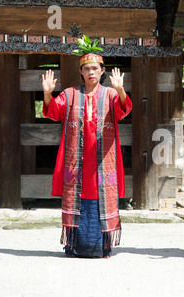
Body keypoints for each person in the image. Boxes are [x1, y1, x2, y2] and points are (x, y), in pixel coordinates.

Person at [41, 36, 132, 258]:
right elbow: (53, 111)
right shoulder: (70, 94)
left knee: (100, 197)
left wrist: (120, 90)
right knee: (78, 198)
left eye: (95, 68)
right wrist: (47, 93)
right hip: (78, 161)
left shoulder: (110, 94)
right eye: (86, 68)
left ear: (103, 71)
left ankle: (102, 247)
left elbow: (124, 110)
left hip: (103, 160)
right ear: (80, 71)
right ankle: (75, 246)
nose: (91, 72)